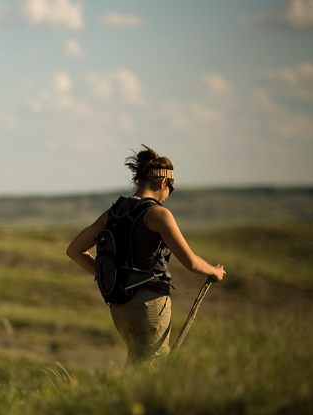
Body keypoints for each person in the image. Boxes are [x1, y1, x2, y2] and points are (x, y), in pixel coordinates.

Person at [66, 145, 226, 366]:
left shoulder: (114, 212)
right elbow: (190, 261)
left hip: (119, 307)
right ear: (163, 182)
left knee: (137, 367)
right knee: (150, 372)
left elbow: (74, 250)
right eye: (170, 189)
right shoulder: (158, 214)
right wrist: (215, 272)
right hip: (148, 306)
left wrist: (110, 278)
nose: (168, 195)